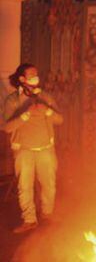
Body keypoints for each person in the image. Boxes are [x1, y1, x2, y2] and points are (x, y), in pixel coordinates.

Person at [2, 63, 63, 233]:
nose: (36, 77)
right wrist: (26, 114)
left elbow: (60, 120)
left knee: (49, 184)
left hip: (46, 149)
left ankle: (47, 215)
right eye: (31, 75)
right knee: (25, 186)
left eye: (37, 74)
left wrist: (48, 111)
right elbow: (7, 127)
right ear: (22, 79)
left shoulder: (46, 97)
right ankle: (29, 220)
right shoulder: (12, 101)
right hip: (24, 151)